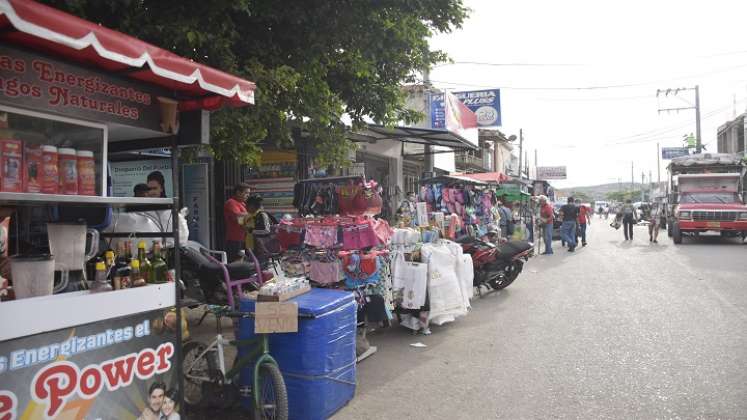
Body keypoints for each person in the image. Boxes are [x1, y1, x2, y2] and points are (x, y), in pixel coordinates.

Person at [244, 195, 277, 261]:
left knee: (261, 267)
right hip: (257, 248)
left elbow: (266, 230)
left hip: (263, 249)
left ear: (252, 206)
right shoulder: (255, 215)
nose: (246, 208)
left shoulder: (262, 215)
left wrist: (251, 230)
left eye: (247, 206)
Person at [223, 183, 250, 262]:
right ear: (238, 192)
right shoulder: (231, 203)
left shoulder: (242, 204)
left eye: (249, 193)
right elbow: (238, 217)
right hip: (234, 240)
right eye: (246, 193)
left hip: (243, 238)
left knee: (243, 262)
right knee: (235, 263)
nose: (248, 195)